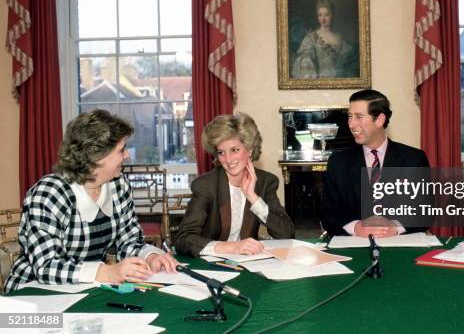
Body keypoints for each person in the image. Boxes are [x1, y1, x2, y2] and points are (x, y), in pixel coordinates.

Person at [4, 110, 177, 293]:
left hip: (83, 290)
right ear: (96, 156)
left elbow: (129, 240)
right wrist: (106, 272)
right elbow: (46, 267)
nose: (127, 155)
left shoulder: (118, 185)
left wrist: (149, 255)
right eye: (121, 150)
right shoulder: (49, 193)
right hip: (32, 292)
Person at [175, 113, 294, 257]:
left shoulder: (266, 182)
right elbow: (183, 239)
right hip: (211, 265)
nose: (228, 159)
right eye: (221, 152)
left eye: (235, 150)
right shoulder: (205, 185)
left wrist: (254, 198)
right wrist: (230, 247)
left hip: (249, 263)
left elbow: (287, 233)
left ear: (249, 149)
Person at [321, 89, 430, 237]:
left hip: (400, 246)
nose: (351, 124)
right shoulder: (338, 163)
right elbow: (328, 215)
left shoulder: (413, 159)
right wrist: (356, 227)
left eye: (359, 117)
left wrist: (395, 227)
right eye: (350, 116)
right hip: (353, 246)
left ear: (379, 120)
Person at [292, 0, 357, 79]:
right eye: (320, 15)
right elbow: (304, 60)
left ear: (332, 15)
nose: (323, 19)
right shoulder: (311, 38)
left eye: (327, 15)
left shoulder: (340, 37)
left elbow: (348, 65)